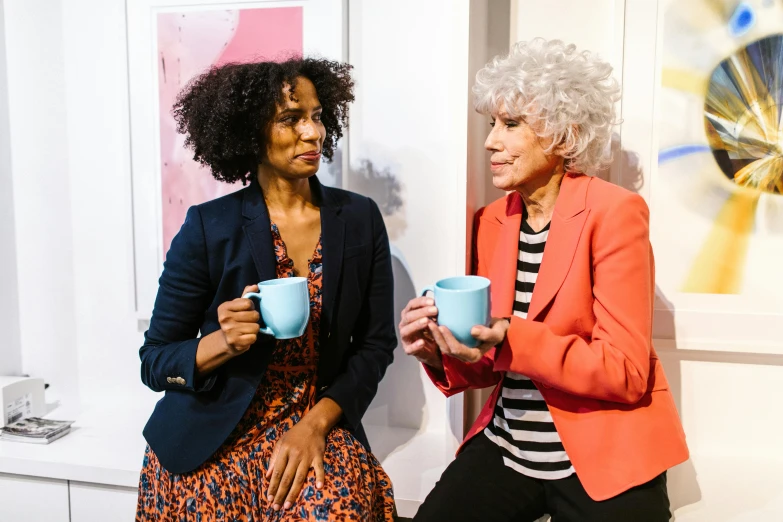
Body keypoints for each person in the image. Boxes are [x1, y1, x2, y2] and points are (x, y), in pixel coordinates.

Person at [400, 39, 689, 522]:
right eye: (492, 123)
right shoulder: (492, 219)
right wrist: (438, 348)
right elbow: (487, 365)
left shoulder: (614, 212)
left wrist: (512, 336)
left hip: (603, 454)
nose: (491, 140)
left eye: (511, 125)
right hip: (508, 450)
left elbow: (625, 371)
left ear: (563, 135)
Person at [135, 57, 397, 521]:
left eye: (316, 117)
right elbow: (155, 359)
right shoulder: (208, 227)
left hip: (315, 423)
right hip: (210, 434)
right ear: (249, 134)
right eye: (290, 120)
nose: (313, 133)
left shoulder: (358, 219)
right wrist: (221, 343)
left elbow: (375, 346)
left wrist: (316, 424)